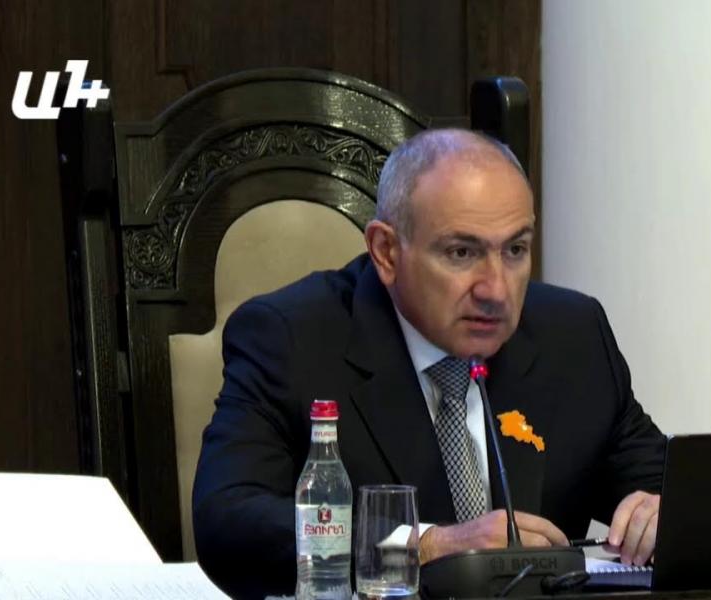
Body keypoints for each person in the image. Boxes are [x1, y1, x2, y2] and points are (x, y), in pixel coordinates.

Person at [193, 129, 666, 600]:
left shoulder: (572, 335)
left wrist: (666, 511)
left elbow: (669, 484)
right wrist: (424, 546)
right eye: (462, 253)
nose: (496, 290)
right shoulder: (292, 339)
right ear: (386, 252)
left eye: (515, 250)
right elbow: (228, 522)